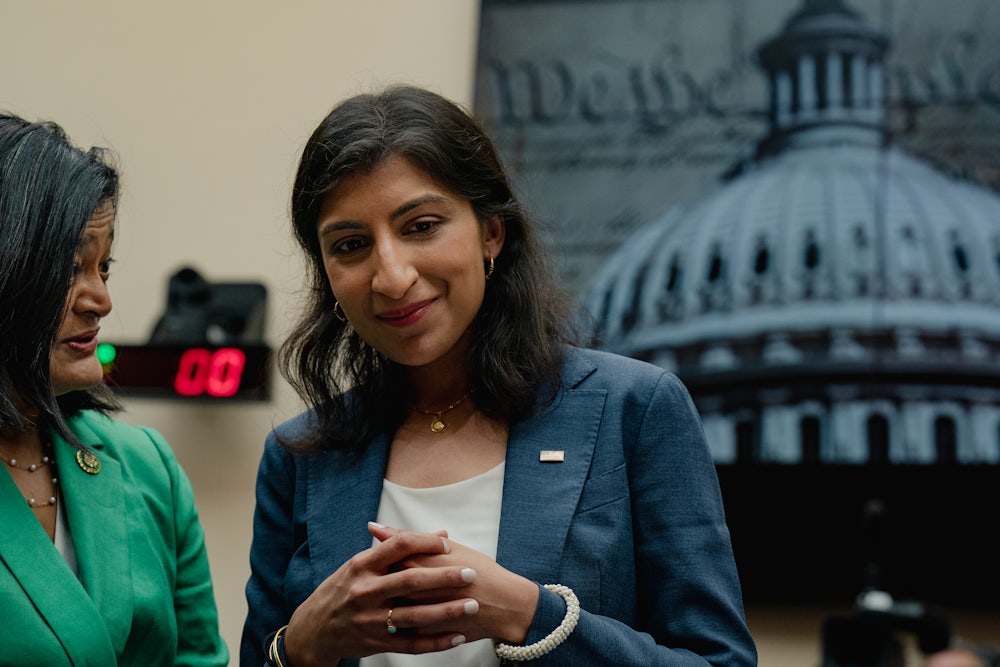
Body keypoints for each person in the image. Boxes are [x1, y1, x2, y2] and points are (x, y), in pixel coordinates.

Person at [241, 84, 757, 667]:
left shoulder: (635, 409)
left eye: (421, 226)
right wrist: (302, 647)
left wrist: (530, 615)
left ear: (492, 232)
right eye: (352, 244)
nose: (390, 275)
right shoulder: (300, 454)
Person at [0, 113, 229, 666]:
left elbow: (199, 659)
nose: (100, 298)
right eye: (70, 267)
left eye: (103, 267)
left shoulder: (148, 465)